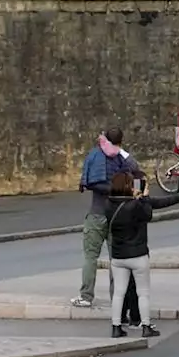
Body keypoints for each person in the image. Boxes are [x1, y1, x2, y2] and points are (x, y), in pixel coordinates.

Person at [105, 172, 179, 338]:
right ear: (129, 186)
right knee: (143, 292)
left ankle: (116, 326)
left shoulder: (108, 204)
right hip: (137, 254)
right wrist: (143, 198)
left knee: (119, 292)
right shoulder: (135, 206)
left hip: (118, 256)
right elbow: (148, 214)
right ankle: (146, 326)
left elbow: (154, 204)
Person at [73, 128, 146, 308]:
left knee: (90, 257)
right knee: (117, 260)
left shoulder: (95, 155)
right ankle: (117, 299)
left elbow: (91, 182)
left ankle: (86, 296)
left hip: (97, 214)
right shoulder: (122, 158)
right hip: (117, 216)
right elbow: (137, 169)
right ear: (120, 142)